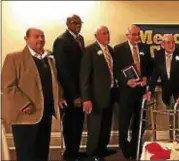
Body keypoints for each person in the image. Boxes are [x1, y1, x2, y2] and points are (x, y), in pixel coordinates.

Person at [2, 28, 66, 161]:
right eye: (36, 36)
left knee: (42, 154)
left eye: (42, 36)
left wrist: (58, 97)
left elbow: (54, 82)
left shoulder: (49, 58)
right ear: (26, 39)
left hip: (45, 115)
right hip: (26, 116)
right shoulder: (13, 58)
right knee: (26, 155)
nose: (40, 39)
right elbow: (7, 86)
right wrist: (24, 104)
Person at [113, 24, 152, 159]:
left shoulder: (145, 48)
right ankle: (125, 149)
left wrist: (146, 77)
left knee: (139, 121)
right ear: (127, 35)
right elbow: (115, 70)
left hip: (141, 92)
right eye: (134, 34)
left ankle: (136, 147)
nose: (137, 37)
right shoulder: (118, 49)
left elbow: (149, 67)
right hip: (126, 93)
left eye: (138, 34)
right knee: (124, 122)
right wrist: (126, 81)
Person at [80, 26, 117, 161]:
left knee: (106, 124)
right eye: (104, 33)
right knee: (95, 126)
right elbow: (84, 76)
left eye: (108, 33)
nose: (107, 35)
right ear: (96, 36)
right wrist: (86, 98)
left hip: (110, 94)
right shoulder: (90, 51)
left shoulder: (110, 50)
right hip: (95, 97)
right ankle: (91, 153)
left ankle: (102, 149)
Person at [52, 14, 85, 160]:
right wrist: (74, 95)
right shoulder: (61, 41)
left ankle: (75, 151)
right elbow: (63, 71)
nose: (77, 25)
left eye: (79, 22)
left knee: (78, 123)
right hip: (70, 92)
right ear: (67, 23)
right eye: (74, 22)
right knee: (70, 124)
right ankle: (69, 154)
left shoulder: (80, 39)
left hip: (81, 89)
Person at [144, 34, 179, 107]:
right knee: (169, 115)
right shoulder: (158, 55)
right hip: (166, 93)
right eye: (168, 42)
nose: (171, 45)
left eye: (173, 42)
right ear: (163, 44)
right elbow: (155, 75)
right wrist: (150, 91)